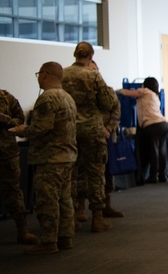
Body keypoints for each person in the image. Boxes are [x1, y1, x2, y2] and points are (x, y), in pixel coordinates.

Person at [9, 63, 77, 254]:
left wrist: (23, 130)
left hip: (50, 158)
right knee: (65, 200)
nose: (38, 78)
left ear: (45, 75)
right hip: (67, 156)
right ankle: (65, 237)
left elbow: (41, 128)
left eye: (39, 74)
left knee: (47, 201)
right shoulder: (67, 97)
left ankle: (48, 241)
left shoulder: (47, 98)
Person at [62, 41, 116, 232]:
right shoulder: (93, 75)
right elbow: (108, 102)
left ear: (75, 55)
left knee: (72, 173)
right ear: (91, 56)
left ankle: (74, 215)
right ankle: (98, 218)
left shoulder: (63, 74)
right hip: (92, 129)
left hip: (69, 130)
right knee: (95, 173)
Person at [0, 88, 38, 245]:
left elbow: (20, 121)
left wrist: (6, 120)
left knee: (14, 192)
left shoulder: (6, 97)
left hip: (6, 154)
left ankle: (22, 231)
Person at [117, 78, 168, 183]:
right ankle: (162, 175)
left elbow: (129, 93)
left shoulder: (145, 91)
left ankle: (153, 176)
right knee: (162, 151)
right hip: (163, 124)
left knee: (154, 151)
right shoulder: (155, 95)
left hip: (152, 125)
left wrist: (119, 91)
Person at [89, 60, 124, 218]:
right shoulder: (74, 90)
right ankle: (78, 211)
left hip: (103, 136)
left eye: (94, 70)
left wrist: (109, 128)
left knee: (106, 173)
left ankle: (106, 205)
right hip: (82, 137)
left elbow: (116, 109)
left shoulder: (106, 90)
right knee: (80, 176)